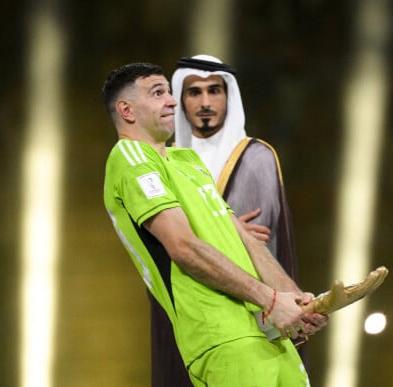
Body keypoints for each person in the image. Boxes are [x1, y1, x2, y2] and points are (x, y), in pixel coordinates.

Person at [102, 63, 328, 386]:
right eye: (158, 93)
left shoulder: (188, 162)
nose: (172, 101)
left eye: (169, 91)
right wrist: (272, 301)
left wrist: (294, 299)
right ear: (126, 110)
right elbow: (183, 248)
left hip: (267, 333)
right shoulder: (130, 158)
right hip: (222, 338)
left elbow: (247, 241)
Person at [148, 54, 306, 386]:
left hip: (249, 320)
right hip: (189, 309)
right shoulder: (163, 161)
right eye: (194, 92)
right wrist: (225, 227)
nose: (205, 102)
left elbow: (261, 244)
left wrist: (214, 230)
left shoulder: (256, 157)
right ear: (182, 99)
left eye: (214, 91)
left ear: (228, 96)